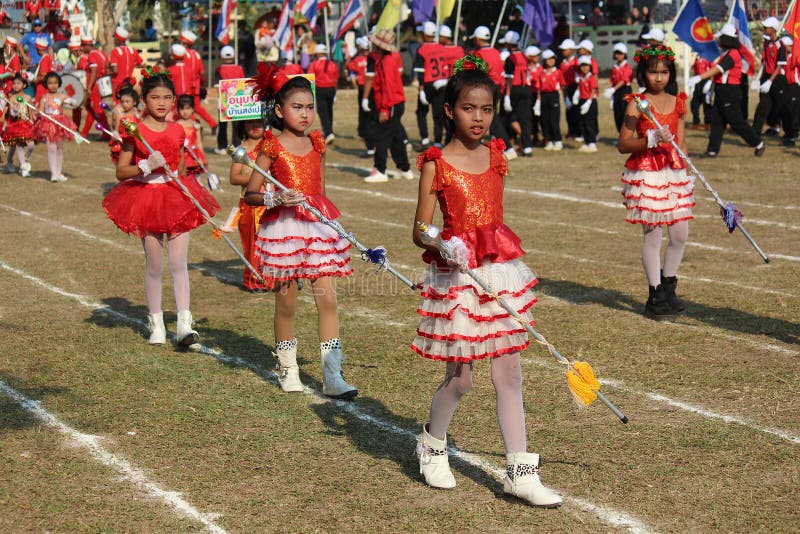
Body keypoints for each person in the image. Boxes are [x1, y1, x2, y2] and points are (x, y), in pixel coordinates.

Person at [411, 54, 563, 508]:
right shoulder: (436, 163)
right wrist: (443, 243)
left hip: (497, 271)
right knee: (460, 380)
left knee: (510, 373)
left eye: (486, 109)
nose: (477, 118)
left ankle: (520, 471)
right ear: (448, 110)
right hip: (458, 276)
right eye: (468, 108)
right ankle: (431, 444)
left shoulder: (498, 156)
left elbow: (492, 219)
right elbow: (419, 227)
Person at [243, 63, 358, 399]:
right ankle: (288, 368)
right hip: (284, 230)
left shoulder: (318, 144)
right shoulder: (271, 146)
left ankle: (332, 374)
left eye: (310, 107)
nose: (305, 114)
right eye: (297, 107)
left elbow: (321, 190)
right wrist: (275, 196)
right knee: (287, 304)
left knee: (328, 300)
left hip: (316, 226)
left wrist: (329, 220)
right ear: (280, 110)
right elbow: (250, 194)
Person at [102, 67, 221, 347]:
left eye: (168, 97)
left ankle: (184, 324)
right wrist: (145, 166)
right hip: (147, 197)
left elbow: (179, 164)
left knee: (179, 263)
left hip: (176, 195)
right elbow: (121, 171)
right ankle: (156, 322)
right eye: (155, 97)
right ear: (144, 100)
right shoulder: (136, 130)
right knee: (155, 265)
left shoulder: (179, 129)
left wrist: (186, 185)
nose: (162, 103)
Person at [618, 44, 692, 318]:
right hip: (647, 172)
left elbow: (682, 140)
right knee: (653, 235)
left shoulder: (679, 101)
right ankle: (655, 293)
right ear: (643, 73)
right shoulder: (637, 103)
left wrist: (684, 164)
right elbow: (623, 144)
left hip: (673, 172)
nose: (659, 78)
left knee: (680, 234)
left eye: (664, 72)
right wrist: (649, 139)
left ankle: (669, 286)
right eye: (653, 72)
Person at [688, 24, 765, 158]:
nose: (718, 41)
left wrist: (699, 78)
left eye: (720, 38)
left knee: (736, 122)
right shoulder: (725, 54)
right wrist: (711, 86)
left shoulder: (733, 54)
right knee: (717, 121)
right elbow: (718, 74)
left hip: (730, 92)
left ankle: (758, 143)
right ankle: (712, 151)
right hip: (721, 90)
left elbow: (718, 69)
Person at [362, 28, 413, 183]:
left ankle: (380, 169)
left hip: (391, 103)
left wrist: (385, 109)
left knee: (382, 136)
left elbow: (388, 86)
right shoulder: (385, 60)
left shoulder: (386, 61)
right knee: (396, 136)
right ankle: (404, 168)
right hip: (395, 102)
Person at [228, 118, 269, 291]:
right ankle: (254, 280)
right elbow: (234, 177)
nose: (255, 127)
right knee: (251, 243)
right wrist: (257, 178)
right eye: (250, 123)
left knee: (272, 242)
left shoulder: (270, 146)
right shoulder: (241, 150)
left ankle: (273, 278)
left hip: (270, 202)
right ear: (243, 125)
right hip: (249, 204)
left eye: (258, 122)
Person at [471, 25, 515, 159]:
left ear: (478, 39)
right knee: (490, 117)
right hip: (497, 87)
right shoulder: (496, 52)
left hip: (486, 88)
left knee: (491, 118)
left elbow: (475, 73)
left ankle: (507, 147)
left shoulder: (477, 54)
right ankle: (499, 145)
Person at [34, 71, 77, 182]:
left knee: (59, 148)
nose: (53, 85)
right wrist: (37, 111)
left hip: (60, 124)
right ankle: (53, 173)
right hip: (48, 124)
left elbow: (73, 102)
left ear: (59, 83)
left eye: (55, 82)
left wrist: (72, 101)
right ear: (46, 84)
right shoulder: (44, 97)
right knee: (51, 147)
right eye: (50, 83)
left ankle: (58, 172)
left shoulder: (62, 96)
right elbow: (41, 110)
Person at [752, 17, 787, 137]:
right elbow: (765, 63)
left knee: (780, 106)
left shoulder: (780, 45)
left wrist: (770, 81)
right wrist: (759, 78)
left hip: (777, 79)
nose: (764, 29)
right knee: (762, 106)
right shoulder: (767, 44)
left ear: (773, 29)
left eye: (767, 28)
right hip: (767, 77)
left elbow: (779, 66)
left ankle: (786, 131)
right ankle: (755, 132)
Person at [179, 30, 218, 132]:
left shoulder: (182, 54)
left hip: (184, 86)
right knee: (195, 107)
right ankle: (212, 124)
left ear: (184, 43)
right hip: (195, 86)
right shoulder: (196, 54)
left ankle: (193, 127)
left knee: (183, 107)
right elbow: (202, 71)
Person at [502, 31, 533, 155]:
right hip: (526, 88)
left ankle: (506, 143)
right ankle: (527, 145)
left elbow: (509, 78)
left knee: (508, 117)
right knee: (524, 119)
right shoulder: (524, 56)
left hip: (515, 89)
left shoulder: (511, 58)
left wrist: (507, 96)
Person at [413, 21, 440, 148]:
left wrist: (421, 89)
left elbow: (420, 72)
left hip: (427, 84)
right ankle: (438, 141)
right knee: (437, 114)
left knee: (421, 112)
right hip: (440, 85)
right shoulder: (441, 47)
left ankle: (424, 138)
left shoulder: (422, 49)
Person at [2, 75, 36, 176]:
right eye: (14, 83)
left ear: (24, 85)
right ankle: (20, 166)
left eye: (18, 83)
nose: (15, 85)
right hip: (15, 124)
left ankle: (25, 160)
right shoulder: (11, 98)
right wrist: (13, 112)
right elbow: (8, 112)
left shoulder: (28, 97)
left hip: (26, 124)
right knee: (17, 145)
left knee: (31, 145)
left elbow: (30, 111)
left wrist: (32, 120)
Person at [77, 35, 111, 138]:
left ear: (87, 45)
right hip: (102, 83)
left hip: (95, 85)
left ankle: (107, 133)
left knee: (97, 109)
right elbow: (107, 68)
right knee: (91, 110)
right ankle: (84, 132)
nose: (82, 48)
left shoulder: (92, 55)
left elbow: (94, 71)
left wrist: (89, 87)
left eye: (83, 46)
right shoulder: (102, 53)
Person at [346, 36, 374, 156]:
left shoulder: (358, 60)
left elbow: (348, 65)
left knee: (363, 112)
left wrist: (350, 57)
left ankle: (363, 132)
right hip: (373, 87)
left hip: (363, 87)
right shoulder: (374, 59)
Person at [214, 45, 245, 153]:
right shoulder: (239, 68)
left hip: (223, 101)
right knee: (236, 125)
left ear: (222, 56)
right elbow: (242, 84)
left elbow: (217, 86)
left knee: (223, 125)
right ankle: (236, 145)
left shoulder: (219, 69)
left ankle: (222, 147)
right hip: (237, 101)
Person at [307, 43, 339, 144]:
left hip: (320, 89)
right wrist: (336, 93)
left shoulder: (314, 64)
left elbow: (310, 79)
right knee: (329, 111)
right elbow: (336, 79)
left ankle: (328, 132)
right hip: (331, 89)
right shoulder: (332, 64)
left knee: (322, 112)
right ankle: (330, 131)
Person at [174, 94, 207, 176]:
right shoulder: (176, 125)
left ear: (192, 109)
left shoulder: (196, 124)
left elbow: (198, 142)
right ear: (178, 110)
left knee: (195, 178)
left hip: (193, 157)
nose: (185, 112)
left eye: (188, 108)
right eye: (182, 109)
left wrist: (201, 156)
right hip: (181, 157)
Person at [539, 49, 565, 150]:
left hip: (554, 96)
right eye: (548, 59)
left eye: (552, 59)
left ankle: (557, 140)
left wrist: (565, 98)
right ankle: (548, 140)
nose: (550, 61)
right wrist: (538, 100)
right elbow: (539, 87)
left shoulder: (558, 72)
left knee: (554, 119)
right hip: (544, 96)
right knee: (545, 119)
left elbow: (562, 85)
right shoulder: (542, 72)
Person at [108, 27, 144, 98]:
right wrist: (133, 65)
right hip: (129, 84)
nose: (114, 40)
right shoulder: (133, 50)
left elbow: (115, 70)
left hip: (117, 85)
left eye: (115, 38)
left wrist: (109, 70)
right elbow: (144, 65)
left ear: (118, 40)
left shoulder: (115, 51)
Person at [109, 86, 140, 164]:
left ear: (134, 102)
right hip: (123, 144)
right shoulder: (120, 115)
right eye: (122, 101)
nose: (124, 104)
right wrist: (115, 134)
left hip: (136, 144)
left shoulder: (138, 114)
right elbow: (115, 129)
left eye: (127, 101)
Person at [606, 43, 632, 133]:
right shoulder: (615, 67)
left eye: (620, 53)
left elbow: (624, 80)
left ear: (624, 54)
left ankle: (626, 137)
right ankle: (620, 136)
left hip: (625, 91)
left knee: (624, 114)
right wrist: (612, 96)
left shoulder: (627, 66)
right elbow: (613, 81)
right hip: (616, 91)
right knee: (617, 114)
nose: (617, 55)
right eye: (616, 53)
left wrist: (613, 89)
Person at [576, 55, 598, 152]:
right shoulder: (581, 78)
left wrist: (589, 101)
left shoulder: (591, 77)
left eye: (586, 66)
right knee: (583, 122)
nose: (584, 68)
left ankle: (592, 143)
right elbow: (579, 88)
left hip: (590, 101)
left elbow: (593, 89)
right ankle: (587, 142)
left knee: (590, 122)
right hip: (583, 100)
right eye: (582, 66)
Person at [559, 38, 580, 140]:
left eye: (565, 49)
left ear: (571, 50)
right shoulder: (563, 63)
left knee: (576, 110)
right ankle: (570, 131)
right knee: (568, 111)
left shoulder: (577, 62)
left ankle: (577, 132)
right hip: (567, 88)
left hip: (576, 87)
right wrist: (565, 95)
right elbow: (562, 79)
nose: (563, 52)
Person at [689, 53, 712, 130]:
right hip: (698, 81)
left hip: (706, 81)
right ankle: (696, 123)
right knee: (694, 103)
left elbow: (713, 70)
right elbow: (695, 69)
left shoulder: (709, 58)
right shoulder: (697, 58)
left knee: (706, 104)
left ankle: (707, 123)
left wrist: (710, 82)